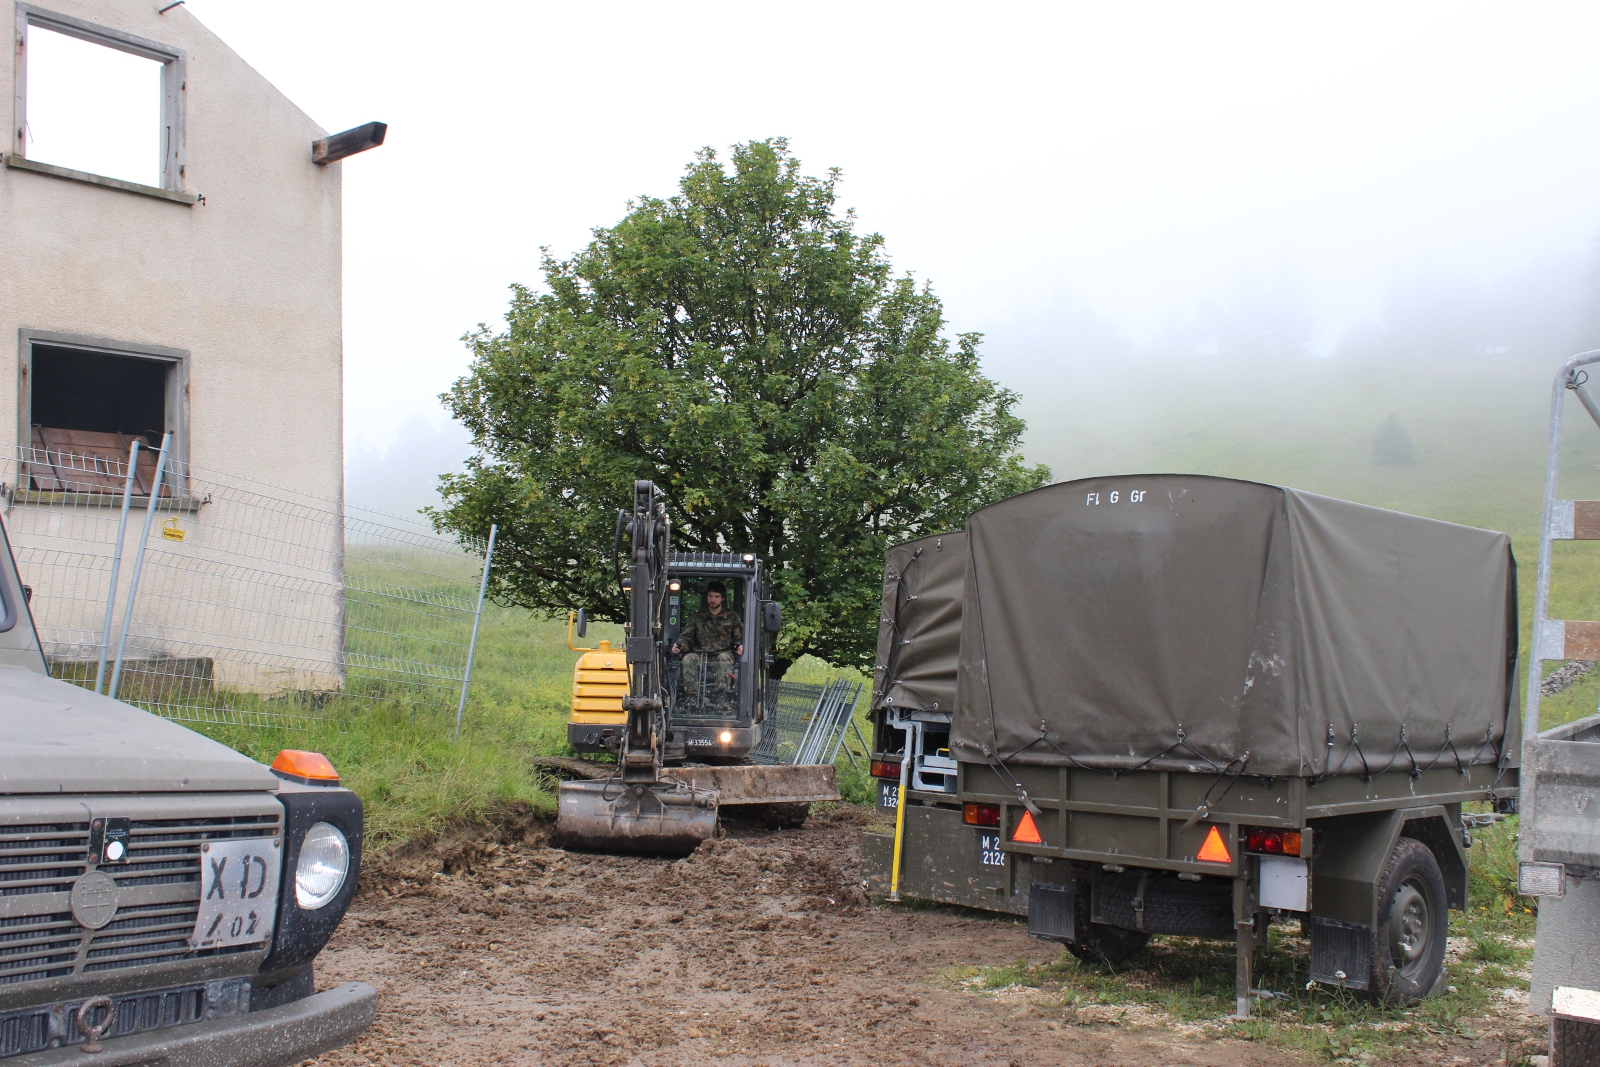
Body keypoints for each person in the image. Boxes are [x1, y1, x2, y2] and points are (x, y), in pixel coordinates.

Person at [671, 581, 744, 712]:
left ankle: (722, 698)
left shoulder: (732, 618)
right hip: (700, 654)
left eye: (716, 597)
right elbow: (686, 637)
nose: (713, 600)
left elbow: (740, 639)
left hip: (723, 654)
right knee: (688, 659)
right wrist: (679, 646)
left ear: (722, 598)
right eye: (710, 596)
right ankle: (691, 699)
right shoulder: (697, 617)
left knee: (724, 659)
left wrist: (740, 647)